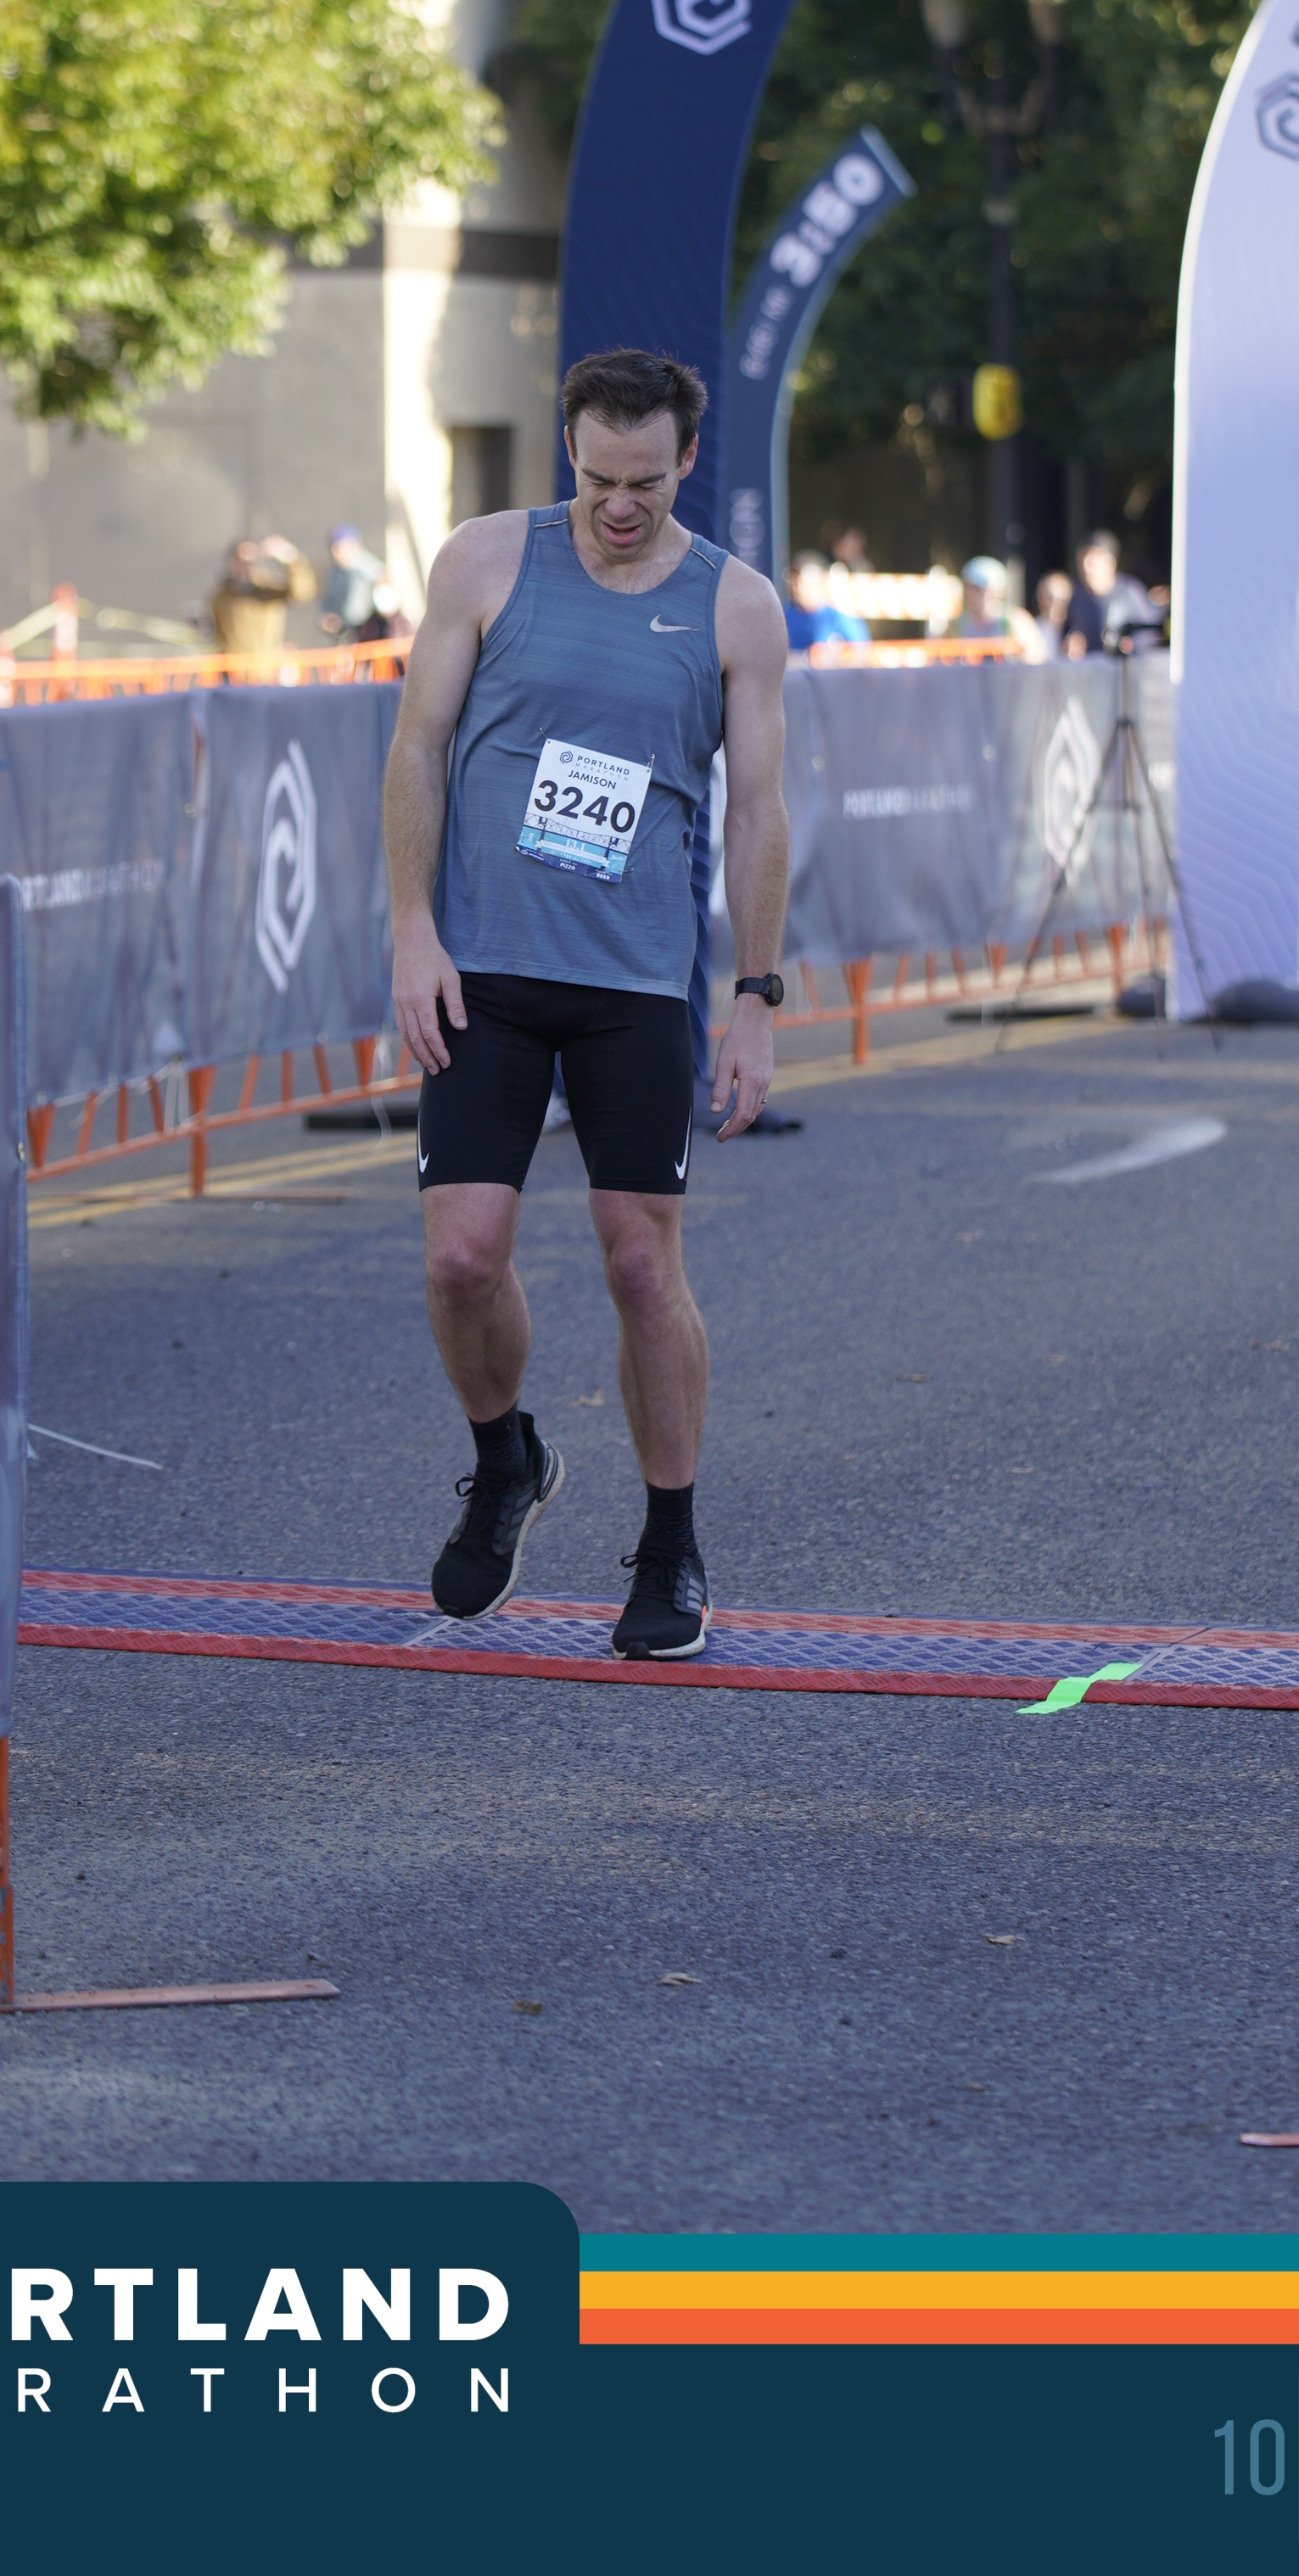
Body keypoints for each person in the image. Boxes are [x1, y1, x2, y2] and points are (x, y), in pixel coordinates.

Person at [383, 347, 791, 1663]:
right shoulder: (486, 562)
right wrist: (411, 932)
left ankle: (671, 1539)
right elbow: (418, 747)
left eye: (647, 483)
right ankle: (507, 1458)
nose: (620, 505)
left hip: (633, 980)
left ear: (687, 461)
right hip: (486, 969)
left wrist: (756, 996)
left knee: (638, 1258)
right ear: (570, 449)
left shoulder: (736, 607)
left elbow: (760, 811)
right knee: (462, 1256)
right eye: (600, 478)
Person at [1067, 531, 1157, 653]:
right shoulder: (1077, 597)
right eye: (1082, 561)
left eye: (1092, 562)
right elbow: (1068, 631)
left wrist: (1132, 645)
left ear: (1111, 562)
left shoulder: (1130, 592)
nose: (1086, 568)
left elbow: (1149, 635)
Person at [322, 523, 397, 643]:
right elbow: (327, 605)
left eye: (339, 548)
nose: (335, 553)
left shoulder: (368, 567)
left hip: (373, 631)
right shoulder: (334, 573)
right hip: (349, 632)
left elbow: (386, 601)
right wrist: (327, 618)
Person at [785, 550, 868, 657]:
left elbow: (862, 653)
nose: (797, 585)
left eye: (806, 578)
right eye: (794, 578)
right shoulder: (783, 616)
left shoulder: (839, 617)